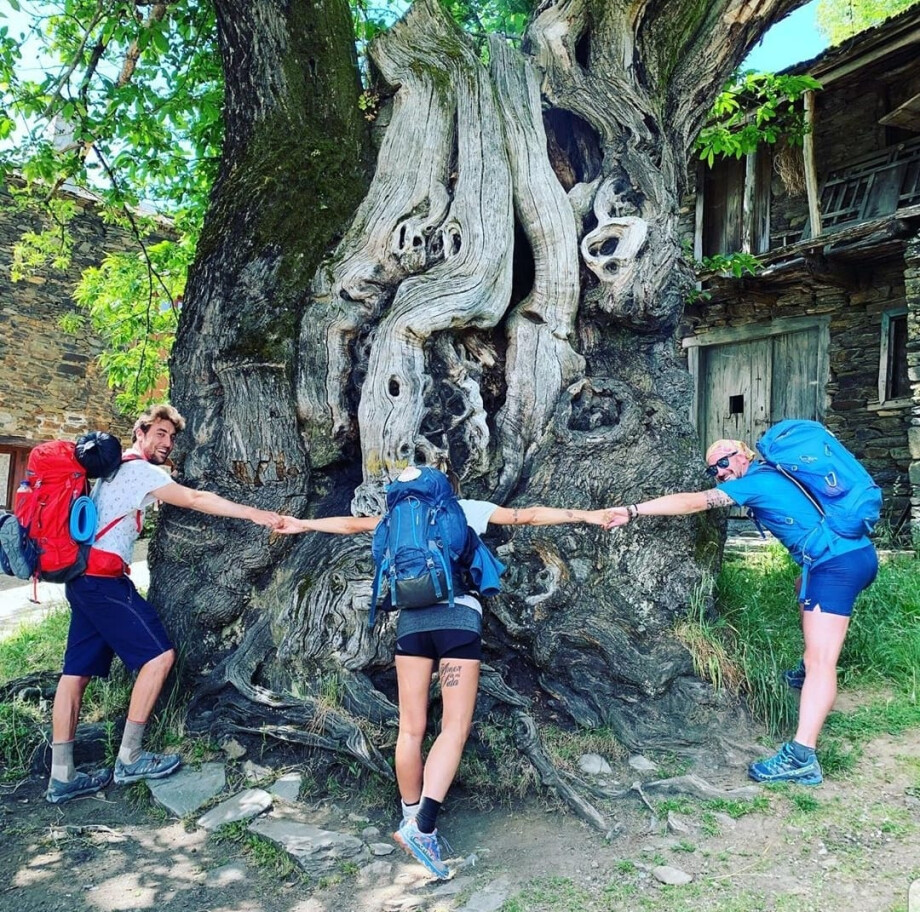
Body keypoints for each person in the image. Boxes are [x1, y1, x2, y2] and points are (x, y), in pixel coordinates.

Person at [275, 465, 610, 879]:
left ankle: (408, 818)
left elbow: (348, 524)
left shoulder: (395, 518)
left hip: (411, 623)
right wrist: (588, 515)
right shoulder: (465, 508)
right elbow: (529, 515)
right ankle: (424, 828)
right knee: (453, 727)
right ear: (448, 486)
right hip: (457, 620)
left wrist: (300, 523)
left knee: (410, 729)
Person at [604, 438, 878, 787]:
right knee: (802, 589)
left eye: (724, 462)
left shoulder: (756, 483)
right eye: (713, 469)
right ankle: (804, 673)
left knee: (820, 660)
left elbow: (694, 503)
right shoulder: (773, 474)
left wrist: (632, 511)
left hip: (835, 565)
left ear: (745, 453)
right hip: (857, 555)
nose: (720, 472)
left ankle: (802, 756)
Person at [47, 404, 283, 804]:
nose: (166, 442)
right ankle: (130, 757)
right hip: (104, 583)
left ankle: (62, 776)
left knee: (75, 675)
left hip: (82, 581)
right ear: (139, 433)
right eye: (159, 433)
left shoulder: (112, 470)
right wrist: (255, 514)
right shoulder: (139, 471)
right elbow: (194, 498)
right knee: (158, 658)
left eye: (171, 437)